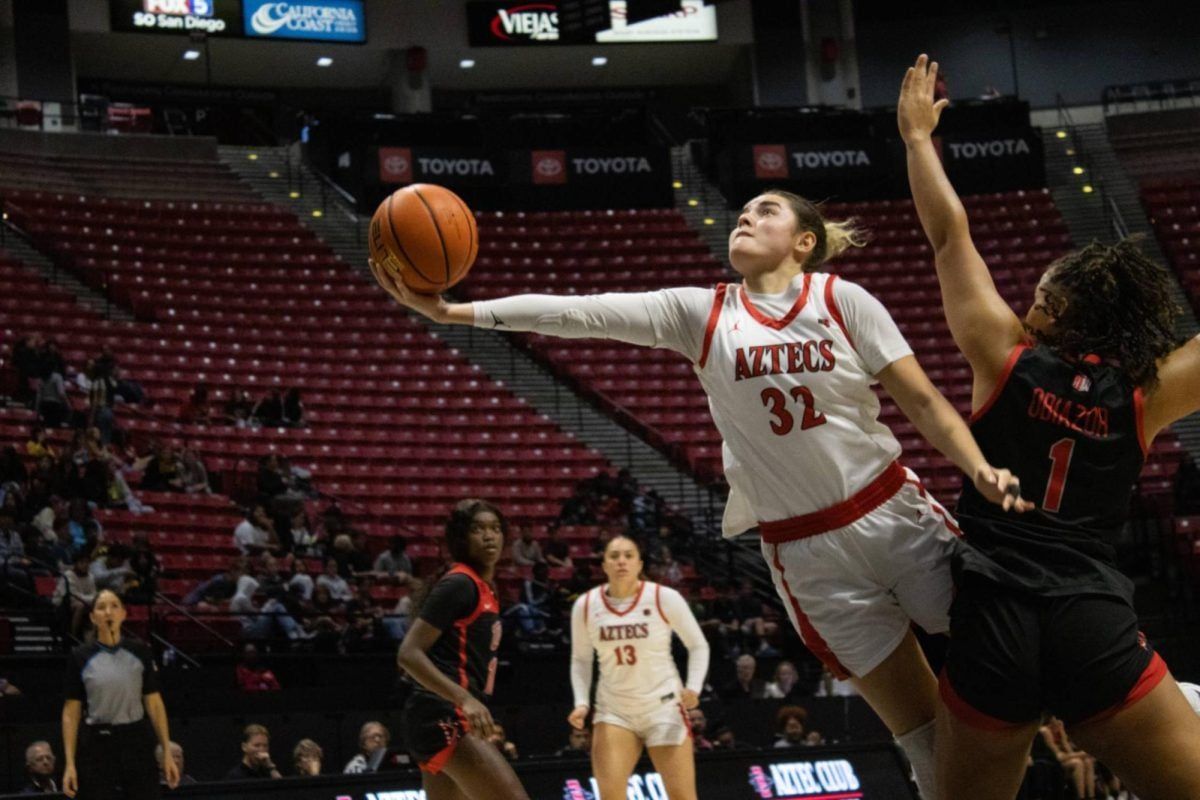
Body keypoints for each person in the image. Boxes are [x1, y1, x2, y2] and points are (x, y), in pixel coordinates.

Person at [374, 170, 1027, 800]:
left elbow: (924, 401)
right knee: (918, 734)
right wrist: (456, 311)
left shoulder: (841, 299)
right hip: (807, 556)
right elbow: (581, 313)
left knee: (1009, 674)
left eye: (767, 210)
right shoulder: (701, 312)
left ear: (805, 240)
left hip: (892, 513)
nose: (746, 215)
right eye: (743, 209)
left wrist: (978, 468)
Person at [899, 53, 1200, 799]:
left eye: (1036, 290)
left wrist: (915, 141)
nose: (1026, 295)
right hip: (1088, 614)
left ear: (1056, 312)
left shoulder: (1003, 354)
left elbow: (949, 237)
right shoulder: (1143, 392)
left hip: (993, 612)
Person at [396, 499, 530, 800]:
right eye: (478, 529)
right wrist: (465, 699)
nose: (489, 536)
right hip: (443, 715)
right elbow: (408, 653)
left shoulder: (484, 588)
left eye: (495, 528)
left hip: (439, 716)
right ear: (461, 538)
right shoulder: (460, 584)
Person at [568, 534, 710, 800]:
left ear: (640, 564)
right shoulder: (586, 605)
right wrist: (581, 702)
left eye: (628, 555)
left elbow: (698, 645)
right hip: (614, 710)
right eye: (614, 556)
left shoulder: (663, 597)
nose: (621, 561)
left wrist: (693, 688)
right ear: (604, 564)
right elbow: (581, 659)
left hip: (663, 706)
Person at [61, 590, 180, 799]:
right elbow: (71, 712)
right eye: (101, 607)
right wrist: (70, 764)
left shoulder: (140, 651)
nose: (108, 612)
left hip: (136, 739)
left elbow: (154, 703)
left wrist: (167, 752)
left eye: (115, 606)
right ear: (92, 617)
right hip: (97, 743)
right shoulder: (79, 655)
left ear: (124, 614)